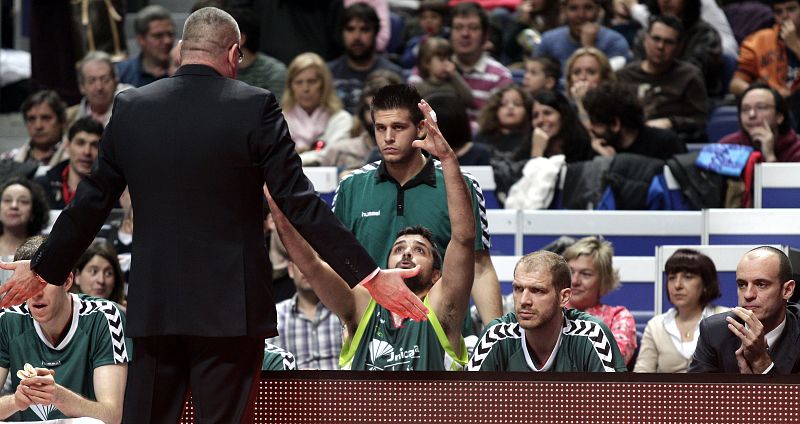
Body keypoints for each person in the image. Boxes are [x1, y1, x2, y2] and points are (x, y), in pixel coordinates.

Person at [0, 8, 426, 423]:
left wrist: (46, 267)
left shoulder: (132, 107)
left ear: (183, 49)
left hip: (155, 309)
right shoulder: (255, 106)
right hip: (231, 312)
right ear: (234, 54)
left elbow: (90, 202)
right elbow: (299, 203)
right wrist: (369, 275)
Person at [270, 98, 476, 370]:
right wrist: (274, 200)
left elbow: (463, 238)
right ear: (385, 265)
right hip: (362, 414)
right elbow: (309, 264)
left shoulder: (442, 307)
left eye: (420, 250)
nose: (407, 253)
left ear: (437, 275)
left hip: (428, 413)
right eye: (399, 248)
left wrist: (447, 159)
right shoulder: (362, 305)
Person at [332, 84, 502, 329]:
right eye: (380, 128)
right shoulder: (351, 187)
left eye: (398, 127)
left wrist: (495, 338)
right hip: (371, 337)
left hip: (444, 334)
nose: (388, 137)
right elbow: (339, 271)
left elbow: (480, 267)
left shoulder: (460, 185)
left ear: (421, 128)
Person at [0, 236, 129, 422]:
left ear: (67, 281)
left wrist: (58, 396)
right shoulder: (7, 320)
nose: (36, 293)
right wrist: (16, 401)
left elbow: (112, 416)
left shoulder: (105, 317)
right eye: (27, 284)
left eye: (43, 281)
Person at [466, 250, 627, 372]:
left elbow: (614, 409)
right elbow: (467, 405)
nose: (524, 301)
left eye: (537, 291)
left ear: (564, 297)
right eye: (518, 289)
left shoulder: (592, 335)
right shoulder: (496, 335)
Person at [689, 246, 800, 374]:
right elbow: (696, 393)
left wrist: (762, 364)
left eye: (761, 284)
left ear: (787, 290)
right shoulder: (714, 332)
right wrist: (744, 388)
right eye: (742, 284)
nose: (748, 295)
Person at [616, 15, 709, 141]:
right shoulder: (625, 75)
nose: (660, 46)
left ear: (679, 47)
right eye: (656, 39)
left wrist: (671, 122)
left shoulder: (689, 76)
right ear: (645, 40)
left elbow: (700, 121)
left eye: (669, 42)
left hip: (672, 140)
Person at [634, 248, 728, 373]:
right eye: (672, 278)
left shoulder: (725, 319)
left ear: (705, 284)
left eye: (688, 277)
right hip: (666, 393)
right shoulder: (656, 326)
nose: (677, 285)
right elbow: (641, 376)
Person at [562, 236, 637, 366]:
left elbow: (612, 364)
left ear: (603, 280)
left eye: (586, 274)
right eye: (570, 271)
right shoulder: (550, 311)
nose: (574, 281)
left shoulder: (618, 317)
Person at [632, 0, 723, 97]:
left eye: (669, 42)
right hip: (647, 97)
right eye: (656, 39)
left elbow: (688, 79)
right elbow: (638, 75)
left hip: (691, 101)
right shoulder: (644, 35)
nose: (666, 1)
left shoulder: (705, 36)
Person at [328, 2, 404, 114]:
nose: (357, 37)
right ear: (342, 33)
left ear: (375, 32)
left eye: (364, 29)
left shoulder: (393, 75)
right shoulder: (328, 73)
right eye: (350, 29)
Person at [266, 261, 344, 370]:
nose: (305, 269)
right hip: (292, 385)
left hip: (340, 385)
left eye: (312, 261)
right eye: (299, 263)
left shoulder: (342, 311)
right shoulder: (276, 316)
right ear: (290, 270)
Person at [582, 81, 687, 160]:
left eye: (595, 122)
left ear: (615, 124)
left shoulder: (666, 144)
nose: (590, 127)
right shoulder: (599, 149)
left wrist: (614, 163)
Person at [447, 2, 513, 125]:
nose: (465, 34)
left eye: (473, 28)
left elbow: (497, 127)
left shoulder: (500, 77)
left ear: (485, 35)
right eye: (458, 27)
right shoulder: (431, 68)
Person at [282, 52, 353, 166]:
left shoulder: (341, 119)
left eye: (312, 81)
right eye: (299, 82)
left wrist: (296, 159)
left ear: (324, 84)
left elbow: (333, 155)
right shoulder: (280, 120)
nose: (305, 88)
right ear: (291, 86)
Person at [729, 0, 800, 97]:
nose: (784, 16)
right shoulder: (758, 41)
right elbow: (736, 84)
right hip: (772, 103)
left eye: (791, 9)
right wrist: (767, 94)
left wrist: (796, 46)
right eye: (778, 11)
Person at [535, 0, 630, 71]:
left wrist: (588, 47)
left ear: (598, 11)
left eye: (588, 8)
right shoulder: (549, 39)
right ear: (564, 11)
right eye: (573, 8)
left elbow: (609, 82)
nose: (581, 15)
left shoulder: (614, 42)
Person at [34, 117, 103, 210]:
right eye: (80, 143)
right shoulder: (41, 186)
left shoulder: (113, 193)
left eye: (95, 145)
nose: (87, 152)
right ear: (67, 145)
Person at [720, 84, 800, 162]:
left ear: (779, 117)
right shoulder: (727, 146)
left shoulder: (796, 149)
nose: (752, 115)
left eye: (761, 107)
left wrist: (769, 156)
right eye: (745, 109)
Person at [515, 89, 594, 163]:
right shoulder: (525, 152)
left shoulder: (583, 148)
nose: (540, 120)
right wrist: (537, 152)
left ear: (563, 116)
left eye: (547, 113)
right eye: (535, 116)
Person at [226, 7, 287, 99]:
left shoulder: (274, 72)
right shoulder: (219, 70)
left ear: (241, 39)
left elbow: (277, 110)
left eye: (224, 35)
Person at [2, 90, 68, 167]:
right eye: (31, 119)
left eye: (46, 118)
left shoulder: (77, 161)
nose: (38, 126)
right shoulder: (7, 160)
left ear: (62, 122)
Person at [115, 5, 175, 87]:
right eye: (158, 36)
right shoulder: (122, 73)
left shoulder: (183, 72)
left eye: (170, 34)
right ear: (141, 39)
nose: (167, 41)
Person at [66, 51, 129, 128]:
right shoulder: (70, 119)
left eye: (105, 79)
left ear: (116, 82)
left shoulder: (129, 110)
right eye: (91, 80)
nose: (99, 87)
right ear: (81, 87)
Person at [564, 47, 615, 129]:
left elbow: (591, 136)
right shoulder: (564, 108)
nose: (582, 77)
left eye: (591, 72)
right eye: (577, 72)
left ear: (604, 78)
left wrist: (581, 103)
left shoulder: (614, 107)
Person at [412, 37, 474, 105]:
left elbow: (469, 99)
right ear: (426, 63)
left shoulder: (455, 85)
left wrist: (454, 74)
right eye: (441, 60)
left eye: (449, 59)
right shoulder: (420, 87)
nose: (447, 63)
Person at [475, 85, 533, 154]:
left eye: (517, 104)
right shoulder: (482, 137)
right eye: (504, 104)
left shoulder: (531, 139)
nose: (510, 107)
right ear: (494, 109)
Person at [0, 177, 50, 258]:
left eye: (23, 201)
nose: (14, 206)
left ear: (34, 211)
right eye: (7, 200)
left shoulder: (45, 249)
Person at [71, 242, 126, 308]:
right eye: (94, 271)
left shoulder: (124, 314)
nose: (101, 280)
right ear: (77, 276)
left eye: (108, 273)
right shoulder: (64, 314)